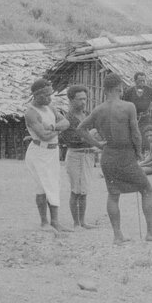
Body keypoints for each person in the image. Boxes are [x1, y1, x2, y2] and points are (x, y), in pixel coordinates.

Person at [79, 72, 152, 245]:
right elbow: (135, 132)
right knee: (147, 190)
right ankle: (151, 232)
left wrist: (99, 145)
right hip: (125, 153)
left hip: (108, 154)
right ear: (119, 88)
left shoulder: (99, 110)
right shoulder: (128, 107)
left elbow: (81, 128)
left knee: (113, 194)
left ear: (105, 90)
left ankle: (117, 235)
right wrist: (138, 152)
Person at [23, 78, 72, 233]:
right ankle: (44, 222)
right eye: (45, 95)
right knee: (42, 186)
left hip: (52, 151)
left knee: (53, 184)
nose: (49, 98)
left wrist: (52, 127)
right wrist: (57, 129)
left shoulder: (50, 107)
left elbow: (66, 123)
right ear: (37, 95)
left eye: (50, 95)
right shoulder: (31, 113)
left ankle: (55, 222)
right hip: (39, 152)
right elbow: (43, 135)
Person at [59, 84, 102, 229]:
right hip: (75, 156)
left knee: (84, 190)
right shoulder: (68, 118)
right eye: (79, 99)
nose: (83, 102)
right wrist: (91, 137)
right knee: (75, 190)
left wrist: (93, 139)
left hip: (88, 155)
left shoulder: (87, 115)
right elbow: (70, 140)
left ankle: (82, 221)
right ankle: (76, 222)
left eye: (85, 99)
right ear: (71, 100)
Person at [121, 72, 152, 139]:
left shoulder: (148, 90)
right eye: (140, 81)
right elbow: (123, 102)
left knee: (147, 137)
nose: (142, 82)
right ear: (135, 81)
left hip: (145, 118)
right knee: (134, 137)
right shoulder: (130, 91)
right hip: (133, 118)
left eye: (143, 81)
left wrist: (151, 105)